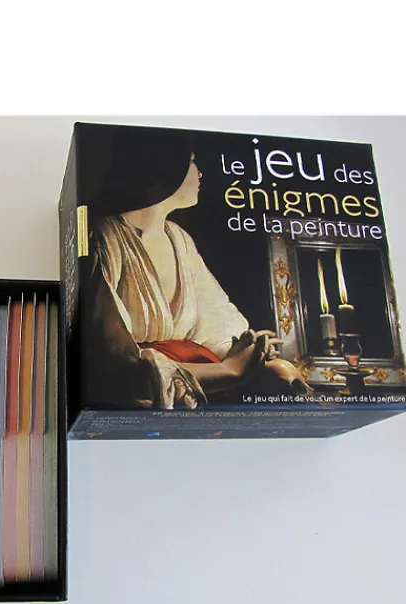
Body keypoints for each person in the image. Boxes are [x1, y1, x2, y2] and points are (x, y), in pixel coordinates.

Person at [80, 126, 309, 409]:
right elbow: (114, 368)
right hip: (134, 405)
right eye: (192, 162)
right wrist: (229, 371)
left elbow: (214, 322)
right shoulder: (104, 239)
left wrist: (253, 356)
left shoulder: (179, 240)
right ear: (164, 166)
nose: (200, 173)